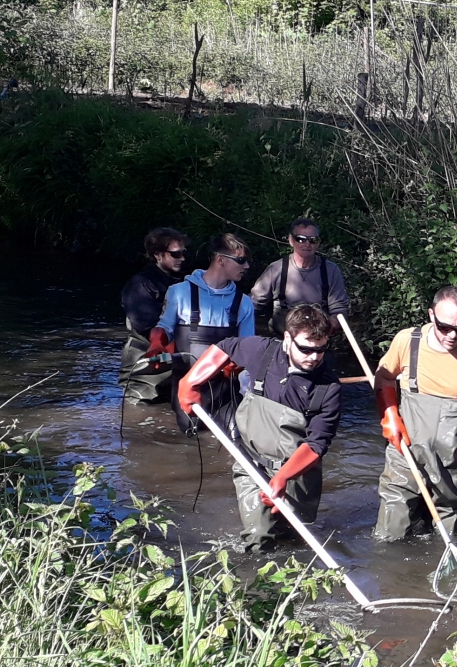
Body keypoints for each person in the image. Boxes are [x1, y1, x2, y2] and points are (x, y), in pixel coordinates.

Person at [177, 306, 343, 548]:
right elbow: (225, 347)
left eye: (321, 349)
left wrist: (284, 478)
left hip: (297, 474)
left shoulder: (329, 388)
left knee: (294, 543)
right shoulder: (262, 351)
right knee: (258, 538)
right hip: (251, 463)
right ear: (288, 338)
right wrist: (189, 382)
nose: (314, 357)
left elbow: (317, 444)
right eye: (306, 349)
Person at [371, 286, 457, 542]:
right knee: (391, 534)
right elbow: (384, 377)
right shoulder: (407, 342)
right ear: (431, 315)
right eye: (445, 327)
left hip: (453, 465)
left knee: (452, 537)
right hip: (405, 455)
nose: (453, 335)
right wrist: (389, 416)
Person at [152, 233, 256, 431]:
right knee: (191, 439)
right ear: (220, 260)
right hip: (187, 386)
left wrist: (239, 367)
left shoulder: (244, 302)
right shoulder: (179, 292)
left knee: (235, 438)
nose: (247, 267)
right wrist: (157, 344)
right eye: (241, 261)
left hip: (226, 391)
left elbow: (248, 347)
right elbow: (164, 327)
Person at [119, 227, 188, 404]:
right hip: (144, 371)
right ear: (158, 255)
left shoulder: (185, 283)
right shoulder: (139, 285)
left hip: (176, 367)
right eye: (176, 254)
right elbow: (149, 328)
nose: (182, 258)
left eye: (182, 253)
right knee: (141, 417)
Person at [250, 217, 350, 334]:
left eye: (313, 240)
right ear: (291, 240)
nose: (307, 244)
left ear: (318, 242)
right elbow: (253, 304)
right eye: (301, 239)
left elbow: (339, 310)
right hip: (282, 341)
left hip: (318, 341)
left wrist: (328, 328)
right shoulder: (276, 269)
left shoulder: (330, 270)